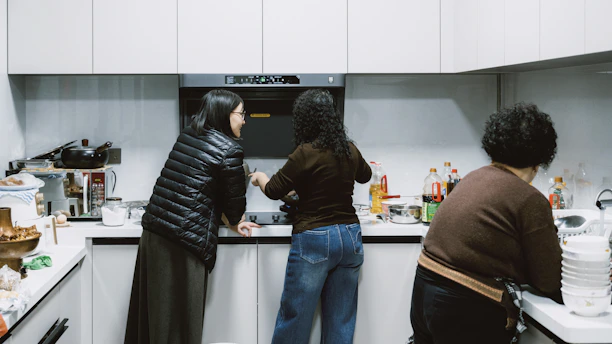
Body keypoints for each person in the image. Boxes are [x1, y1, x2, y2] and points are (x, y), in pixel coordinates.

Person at [410, 102, 562, 344]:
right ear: (539, 160)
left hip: (424, 290)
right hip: (463, 306)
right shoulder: (530, 199)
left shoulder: (474, 177)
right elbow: (550, 280)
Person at [125, 89, 260, 344]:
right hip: (183, 243)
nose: (244, 120)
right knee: (180, 326)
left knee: (153, 322)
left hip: (154, 234)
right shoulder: (230, 150)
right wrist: (237, 222)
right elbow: (234, 210)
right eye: (241, 114)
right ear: (224, 114)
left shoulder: (188, 135)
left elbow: (201, 189)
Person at [250, 89, 372, 344]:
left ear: (304, 119)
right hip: (350, 237)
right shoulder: (348, 149)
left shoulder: (305, 152)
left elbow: (273, 190)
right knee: (341, 320)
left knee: (295, 317)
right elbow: (365, 176)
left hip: (315, 238)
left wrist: (260, 177)